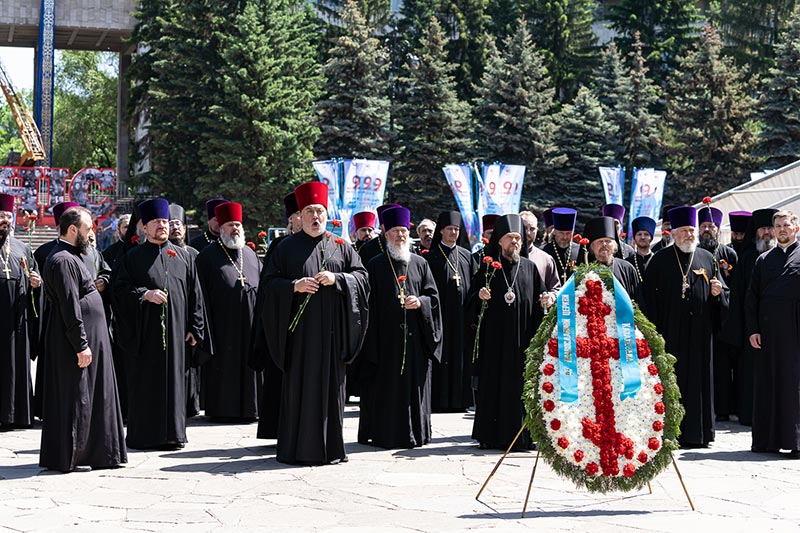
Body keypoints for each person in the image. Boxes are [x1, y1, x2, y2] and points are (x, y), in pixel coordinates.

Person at [261, 181, 369, 465]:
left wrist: (339, 279)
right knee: (299, 391)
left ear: (326, 213)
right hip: (299, 338)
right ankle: (296, 449)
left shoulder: (340, 247)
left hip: (333, 337)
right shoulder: (285, 248)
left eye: (319, 211)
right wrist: (293, 287)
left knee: (332, 393)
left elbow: (362, 278)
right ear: (301, 214)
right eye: (309, 211)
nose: (315, 217)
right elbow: (268, 286)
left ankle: (332, 449)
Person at [39, 206, 127, 472]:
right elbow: (69, 306)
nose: (91, 234)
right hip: (77, 343)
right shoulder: (63, 260)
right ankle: (76, 455)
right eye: (88, 229)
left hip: (91, 338)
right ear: (73, 229)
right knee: (78, 398)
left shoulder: (75, 256)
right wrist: (81, 345)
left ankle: (98, 453)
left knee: (93, 396)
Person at [112, 198, 205, 450]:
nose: (163, 226)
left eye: (165, 221)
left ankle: (174, 435)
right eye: (157, 222)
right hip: (145, 335)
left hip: (177, 335)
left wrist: (195, 328)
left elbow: (195, 294)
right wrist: (145, 294)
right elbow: (119, 290)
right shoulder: (132, 257)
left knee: (176, 384)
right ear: (144, 227)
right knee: (146, 383)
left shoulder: (183, 257)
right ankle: (145, 436)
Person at [641, 206, 728, 448]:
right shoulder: (659, 260)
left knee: (700, 382)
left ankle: (699, 434)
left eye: (692, 230)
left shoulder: (707, 258)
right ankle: (670, 432)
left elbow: (722, 291)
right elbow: (648, 299)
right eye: (684, 231)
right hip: (670, 333)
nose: (690, 235)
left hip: (701, 333)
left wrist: (718, 294)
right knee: (672, 382)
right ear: (673, 234)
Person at [360, 206, 442, 448]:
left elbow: (433, 298)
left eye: (404, 231)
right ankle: (386, 434)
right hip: (385, 341)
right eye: (395, 231)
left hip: (416, 339)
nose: (401, 236)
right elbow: (366, 304)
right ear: (386, 234)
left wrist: (421, 302)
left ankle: (417, 433)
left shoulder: (420, 263)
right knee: (387, 388)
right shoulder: (374, 264)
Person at [470, 215, 544, 450]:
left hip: (523, 340)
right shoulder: (487, 267)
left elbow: (539, 299)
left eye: (518, 238)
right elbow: (470, 302)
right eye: (510, 238)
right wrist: (479, 296)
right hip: (495, 341)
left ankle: (522, 437)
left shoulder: (530, 267)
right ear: (499, 241)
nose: (515, 242)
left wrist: (545, 299)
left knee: (521, 388)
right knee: (494, 385)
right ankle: (490, 436)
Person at [196, 201, 263, 421]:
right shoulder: (206, 257)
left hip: (251, 323)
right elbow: (199, 295)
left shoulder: (250, 255)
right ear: (221, 228)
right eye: (230, 225)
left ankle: (252, 409)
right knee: (225, 368)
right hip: (221, 326)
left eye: (238, 225)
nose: (235, 229)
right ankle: (222, 410)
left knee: (251, 366)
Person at [746, 210, 800, 457]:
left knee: (794, 386)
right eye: (777, 226)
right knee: (769, 384)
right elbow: (752, 298)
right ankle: (768, 440)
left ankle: (796, 440)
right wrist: (754, 329)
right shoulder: (764, 260)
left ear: (795, 228)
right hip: (768, 334)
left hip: (796, 332)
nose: (781, 229)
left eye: (786, 225)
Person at [725, 208, 776, 426]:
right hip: (751, 328)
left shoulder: (786, 257)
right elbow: (737, 298)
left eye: (770, 228)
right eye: (762, 228)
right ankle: (750, 414)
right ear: (755, 232)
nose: (766, 233)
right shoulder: (746, 259)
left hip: (778, 327)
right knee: (750, 374)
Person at [424, 211, 474, 412]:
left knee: (461, 358)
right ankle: (440, 401)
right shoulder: (432, 258)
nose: (454, 233)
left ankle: (461, 401)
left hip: (462, 319)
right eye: (450, 229)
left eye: (457, 229)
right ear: (442, 231)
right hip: (441, 319)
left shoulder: (467, 256)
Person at [0, 193, 40, 430]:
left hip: (17, 320)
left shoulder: (22, 248)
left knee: (15, 364)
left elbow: (33, 277)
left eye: (8, 216)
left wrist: (36, 283)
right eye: (1, 216)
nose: (5, 221)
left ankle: (15, 414)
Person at [168, 203, 202, 418]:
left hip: (187, 320)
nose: (175, 228)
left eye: (178, 224)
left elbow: (197, 293)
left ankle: (189, 405)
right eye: (170, 224)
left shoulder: (193, 254)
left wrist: (195, 325)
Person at [584, 216, 640, 300]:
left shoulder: (627, 268)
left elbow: (638, 301)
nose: (604, 245)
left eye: (608, 241)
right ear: (592, 246)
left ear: (614, 245)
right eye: (600, 241)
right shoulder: (584, 270)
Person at [520, 211, 561, 307]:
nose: (528, 232)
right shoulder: (507, 255)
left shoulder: (546, 259)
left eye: (532, 229)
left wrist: (550, 297)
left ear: (537, 230)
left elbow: (556, 289)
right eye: (524, 228)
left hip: (536, 315)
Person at [542, 207, 582, 284]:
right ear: (555, 232)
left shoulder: (580, 250)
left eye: (568, 233)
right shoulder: (544, 251)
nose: (565, 237)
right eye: (561, 233)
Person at [627, 216, 656, 283]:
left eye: (646, 234)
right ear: (634, 238)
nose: (642, 237)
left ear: (651, 238)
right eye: (639, 234)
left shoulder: (658, 261)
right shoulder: (627, 263)